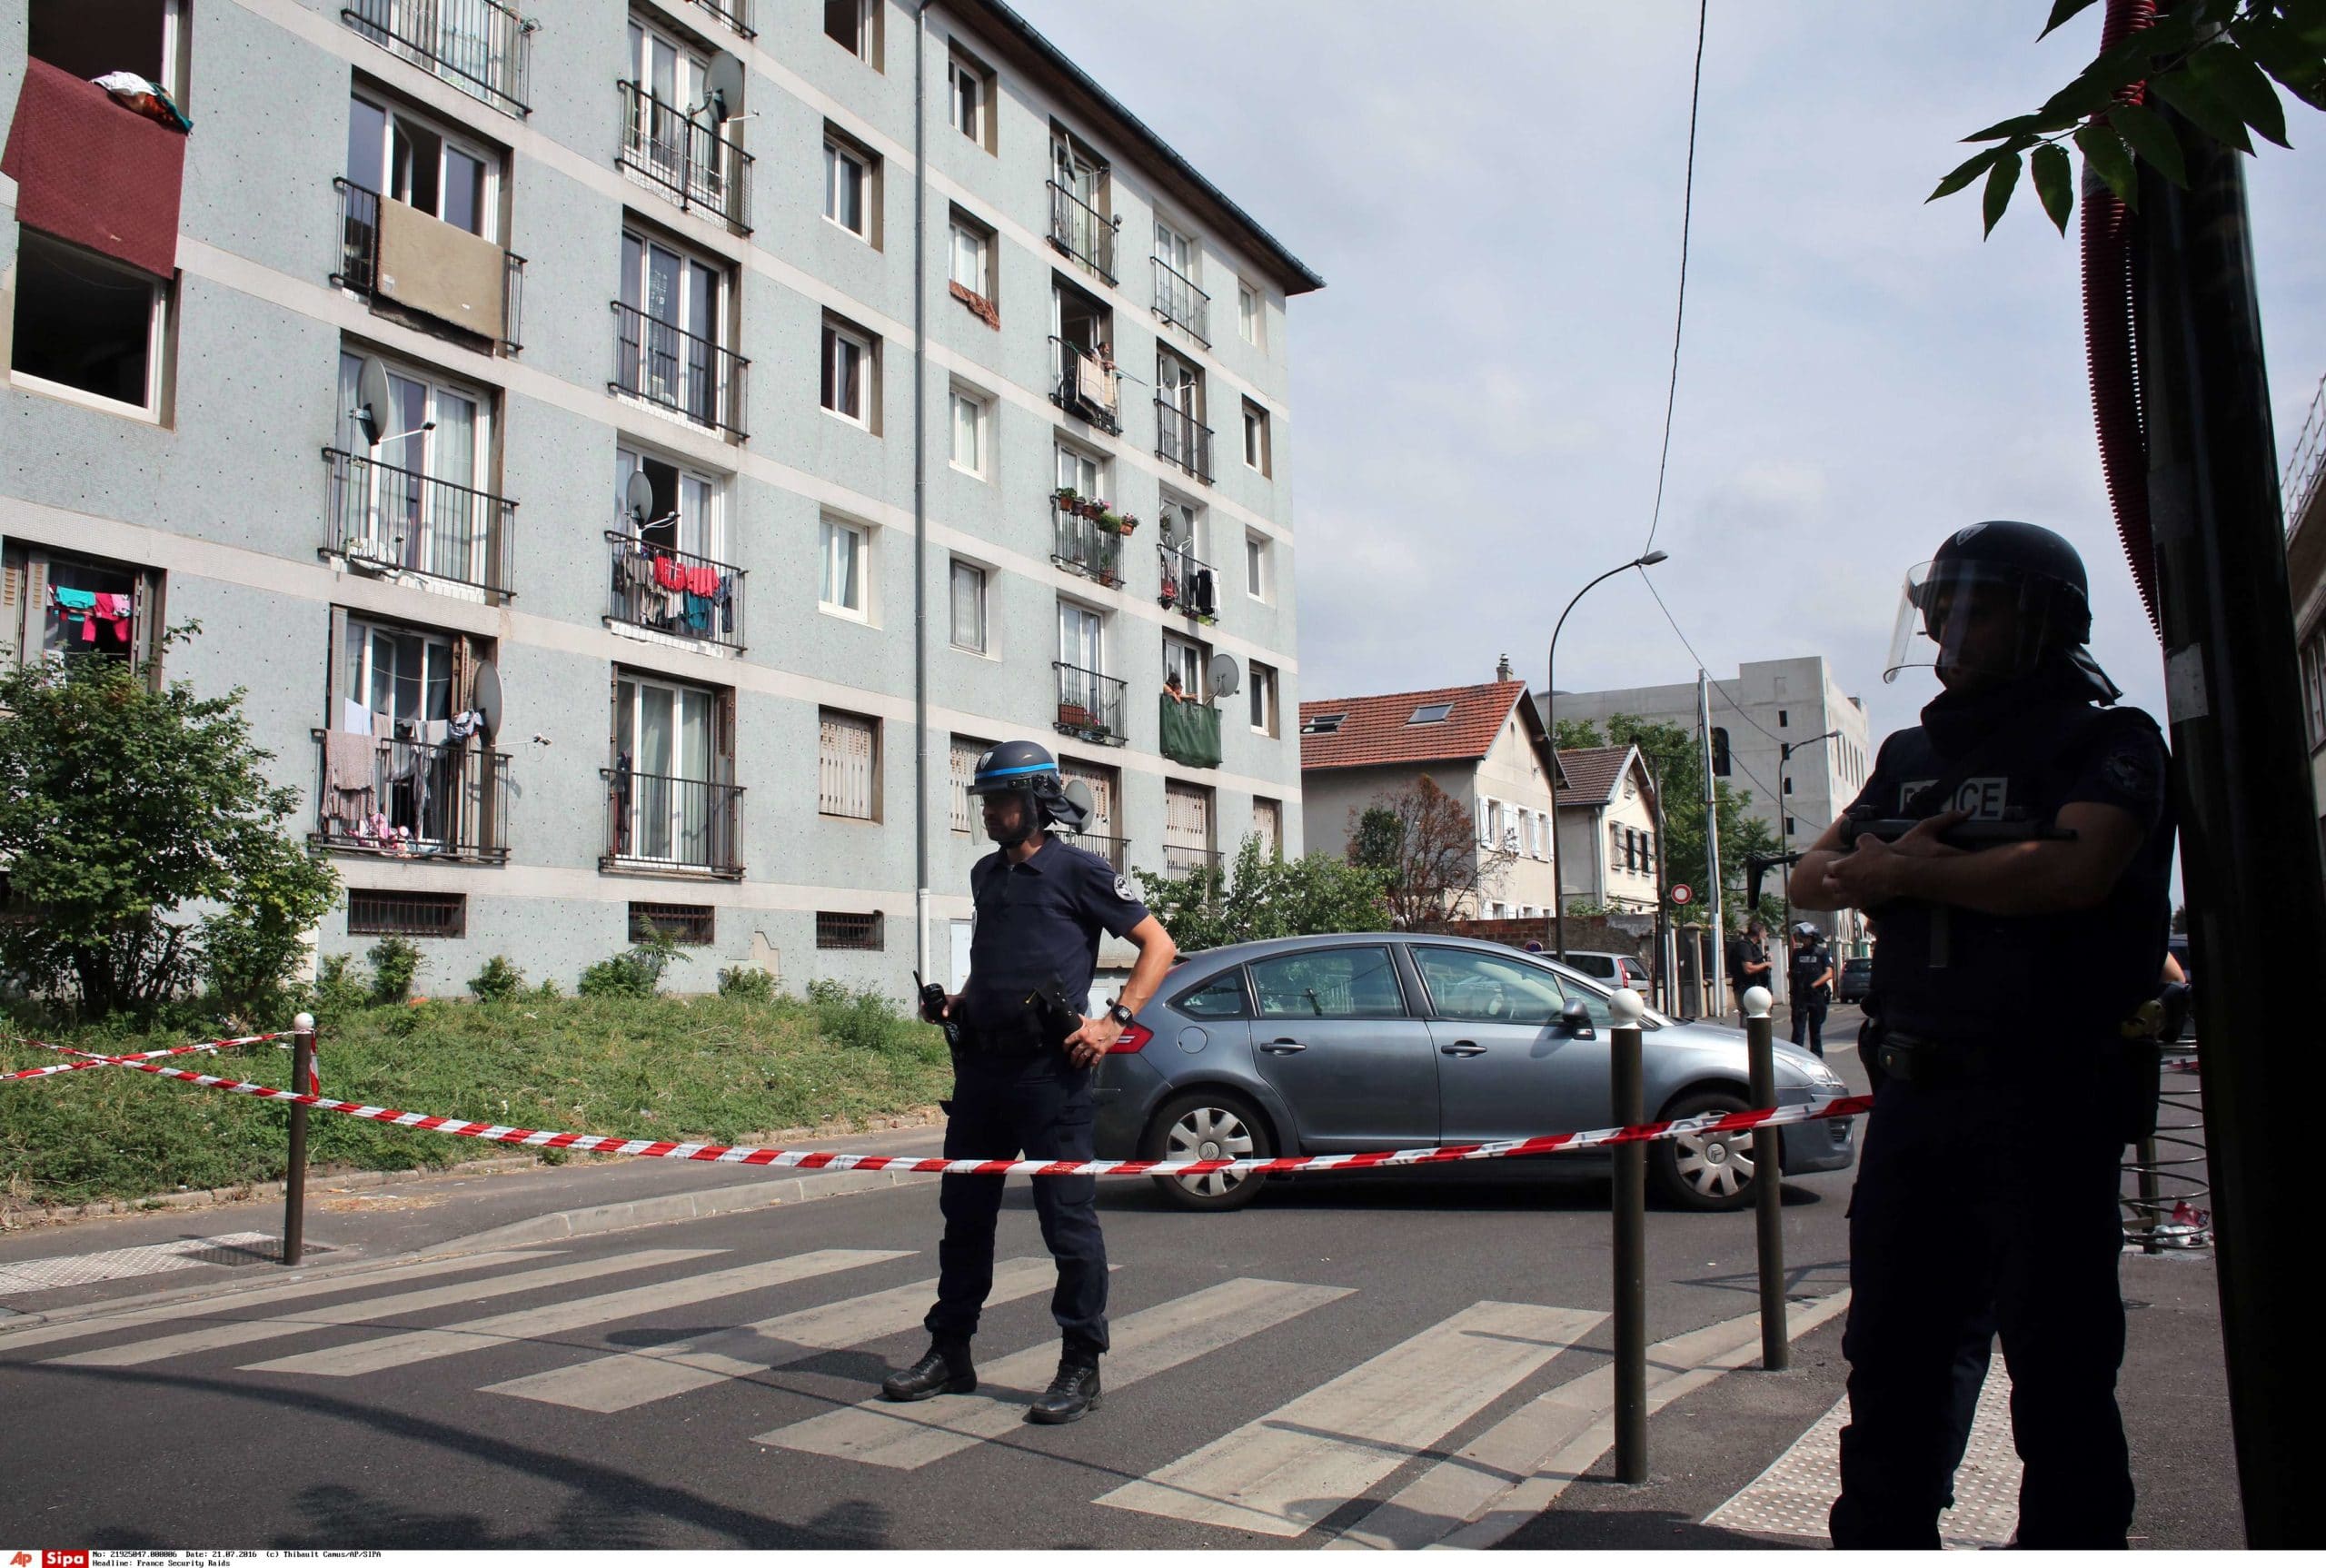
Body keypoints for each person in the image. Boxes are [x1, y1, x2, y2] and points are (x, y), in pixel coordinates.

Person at [1791, 520, 2172, 1548]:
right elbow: (1808, 874)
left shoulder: (2108, 739)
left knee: (2059, 1376)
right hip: (1919, 1101)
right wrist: (1873, 870)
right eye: (1938, 609)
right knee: (1894, 1366)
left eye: (1976, 608)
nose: (1950, 631)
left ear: (2041, 619)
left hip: (2047, 1098)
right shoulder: (1912, 752)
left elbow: (2074, 869)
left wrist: (1908, 874)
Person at [880, 739, 1178, 1424]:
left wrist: (1114, 1021)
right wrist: (956, 1002)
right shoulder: (988, 875)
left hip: (1052, 1077)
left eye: (1004, 801)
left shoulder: (1081, 870)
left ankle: (1081, 1365)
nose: (991, 813)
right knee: (965, 1224)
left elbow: (1159, 945)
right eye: (985, 800)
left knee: (1067, 1225)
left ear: (1039, 803)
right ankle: (949, 1351)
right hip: (983, 1073)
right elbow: (997, 964)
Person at [1787, 922, 1834, 1057]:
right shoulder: (1797, 953)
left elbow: (1829, 973)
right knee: (1798, 1030)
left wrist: (1814, 985)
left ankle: (1817, 1056)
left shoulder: (1822, 953)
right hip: (1800, 996)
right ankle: (1796, 1056)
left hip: (1816, 996)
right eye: (1801, 937)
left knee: (1815, 1029)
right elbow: (1791, 972)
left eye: (1805, 937)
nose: (1802, 939)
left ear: (1813, 937)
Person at [1726, 918, 1771, 1017]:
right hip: (1746, 989)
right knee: (1749, 1020)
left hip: (1755, 988)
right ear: (1759, 933)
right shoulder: (1743, 946)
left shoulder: (1753, 946)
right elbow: (1748, 969)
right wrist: (1766, 964)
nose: (1766, 934)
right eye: (1764, 931)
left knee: (1760, 1019)